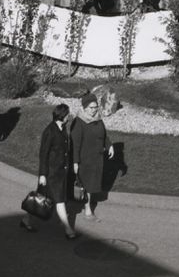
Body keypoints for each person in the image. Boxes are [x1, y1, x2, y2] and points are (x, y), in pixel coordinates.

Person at [22, 102, 79, 239]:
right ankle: (69, 230)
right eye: (67, 114)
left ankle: (27, 220)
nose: (69, 116)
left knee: (39, 199)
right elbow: (43, 154)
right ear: (62, 116)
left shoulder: (62, 128)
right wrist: (42, 174)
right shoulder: (50, 131)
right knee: (59, 202)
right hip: (51, 174)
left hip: (60, 172)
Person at [70, 92, 114, 219]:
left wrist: (109, 145)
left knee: (92, 183)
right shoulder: (78, 123)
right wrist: (75, 162)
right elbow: (75, 144)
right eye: (91, 108)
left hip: (97, 158)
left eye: (96, 107)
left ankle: (86, 202)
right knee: (88, 185)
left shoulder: (98, 119)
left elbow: (104, 134)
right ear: (84, 108)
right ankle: (88, 210)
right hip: (85, 159)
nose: (94, 111)